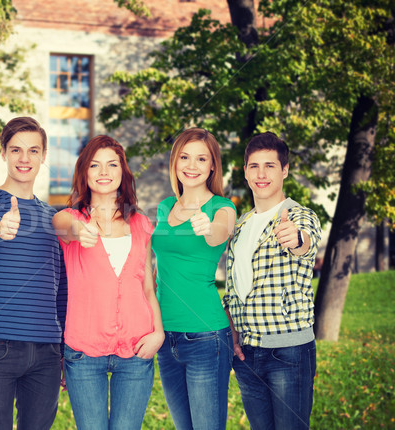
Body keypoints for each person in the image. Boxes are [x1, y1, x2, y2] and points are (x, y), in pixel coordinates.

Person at [52, 135, 165, 430]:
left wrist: (159, 333)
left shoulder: (141, 223)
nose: (103, 172)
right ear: (84, 173)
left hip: (137, 348)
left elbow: (148, 288)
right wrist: (79, 228)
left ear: (122, 172)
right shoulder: (69, 218)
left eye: (111, 164)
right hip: (84, 352)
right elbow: (61, 226)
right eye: (95, 165)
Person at [0, 117, 67, 430]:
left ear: (43, 155)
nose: (25, 158)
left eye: (33, 151)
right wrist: (0, 227)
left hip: (47, 351)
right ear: (4, 153)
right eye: (16, 150)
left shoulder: (53, 217)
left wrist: (62, 348)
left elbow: (60, 288)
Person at [223, 132, 321, 430]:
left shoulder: (299, 216)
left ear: (285, 170)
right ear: (245, 171)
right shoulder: (239, 226)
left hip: (287, 354)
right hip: (247, 356)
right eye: (254, 166)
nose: (261, 174)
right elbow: (233, 288)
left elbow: (307, 244)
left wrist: (297, 239)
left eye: (270, 166)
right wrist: (233, 332)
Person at [151, 128, 237, 429]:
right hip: (165, 337)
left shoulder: (222, 208)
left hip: (205, 337)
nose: (192, 165)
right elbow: (159, 269)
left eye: (201, 158)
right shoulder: (165, 207)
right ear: (175, 162)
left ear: (213, 165)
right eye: (185, 157)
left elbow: (219, 233)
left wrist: (207, 227)